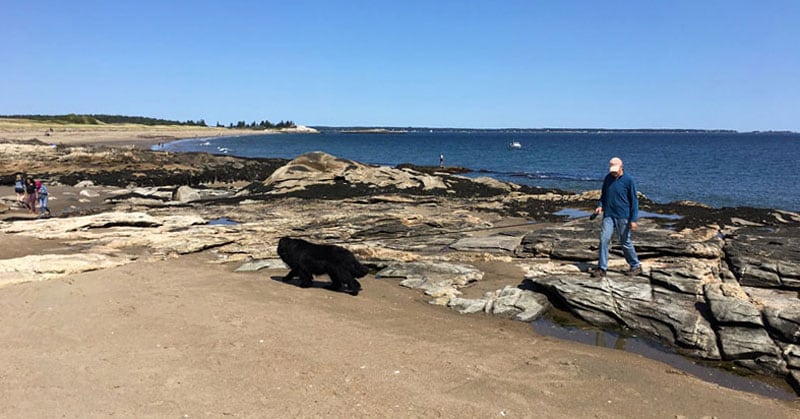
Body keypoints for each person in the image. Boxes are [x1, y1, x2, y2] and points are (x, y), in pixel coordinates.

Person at [591, 157, 642, 277]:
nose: (613, 172)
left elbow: (634, 201)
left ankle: (635, 265)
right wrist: (600, 206)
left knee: (625, 242)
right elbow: (604, 195)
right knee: (604, 239)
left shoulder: (629, 180)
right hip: (608, 215)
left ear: (621, 167)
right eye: (612, 170)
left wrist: (633, 219)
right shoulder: (608, 178)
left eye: (615, 170)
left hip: (623, 216)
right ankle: (602, 268)